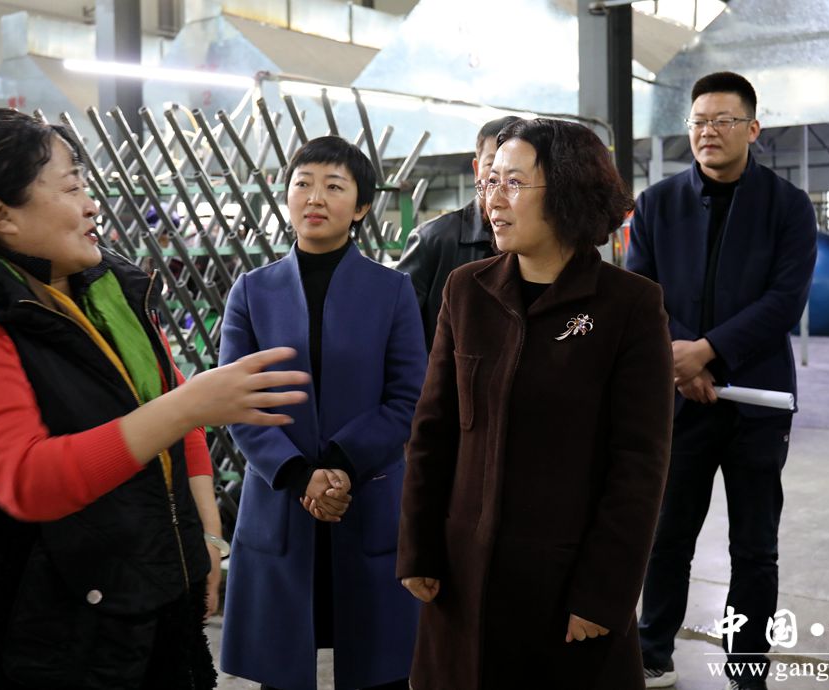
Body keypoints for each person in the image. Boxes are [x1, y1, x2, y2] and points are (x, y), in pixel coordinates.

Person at [0, 107, 311, 690]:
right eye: (71, 187)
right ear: (1, 215)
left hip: (147, 601)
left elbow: (173, 409)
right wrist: (191, 405)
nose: (92, 206)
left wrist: (205, 535)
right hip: (41, 637)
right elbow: (31, 480)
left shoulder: (108, 295)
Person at [397, 118, 675, 689]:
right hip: (463, 577)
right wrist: (419, 549)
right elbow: (433, 432)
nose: (494, 200)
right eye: (490, 182)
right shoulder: (466, 290)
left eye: (514, 183)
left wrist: (603, 593)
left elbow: (638, 466)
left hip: (566, 586)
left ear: (568, 191)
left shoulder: (629, 306)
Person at [627, 72, 817, 690]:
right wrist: (680, 362)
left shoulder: (787, 206)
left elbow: (784, 301)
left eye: (724, 120)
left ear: (752, 129)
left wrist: (706, 352)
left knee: (754, 547)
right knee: (667, 534)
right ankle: (653, 651)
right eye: (699, 121)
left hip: (757, 404)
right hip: (680, 402)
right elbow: (642, 295)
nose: (708, 131)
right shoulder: (657, 204)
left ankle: (747, 666)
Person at [218, 135, 427, 690]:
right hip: (282, 498)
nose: (314, 197)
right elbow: (237, 401)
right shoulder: (251, 292)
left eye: (334, 186)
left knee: (380, 672)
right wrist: (300, 474)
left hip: (365, 495)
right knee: (282, 672)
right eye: (303, 184)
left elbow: (408, 398)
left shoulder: (392, 291)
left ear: (361, 207)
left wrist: (338, 465)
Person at [396, 115, 519, 350]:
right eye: (492, 166)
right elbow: (395, 331)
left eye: (513, 170)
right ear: (477, 169)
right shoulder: (432, 240)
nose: (501, 180)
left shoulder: (535, 244)